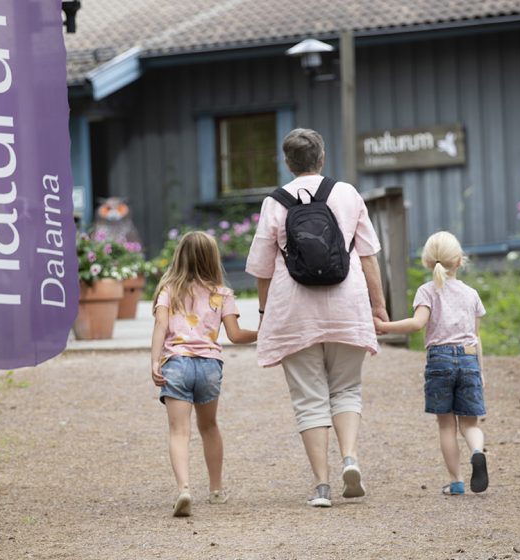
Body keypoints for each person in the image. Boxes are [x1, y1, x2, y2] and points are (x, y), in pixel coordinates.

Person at [245, 128, 387, 508]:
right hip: (347, 303)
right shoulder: (347, 194)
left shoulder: (274, 203)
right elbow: (369, 255)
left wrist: (263, 315)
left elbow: (261, 269)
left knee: (309, 398)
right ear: (322, 159)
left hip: (294, 310)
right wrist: (378, 306)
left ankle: (322, 486)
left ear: (287, 163)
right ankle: (350, 458)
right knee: (347, 389)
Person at [151, 231, 257, 517]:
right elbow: (234, 335)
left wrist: (154, 361)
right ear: (213, 258)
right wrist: (264, 334)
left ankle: (184, 488)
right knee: (209, 427)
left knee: (178, 431)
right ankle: (216, 489)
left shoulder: (168, 291)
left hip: (177, 363)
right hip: (210, 365)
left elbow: (161, 326)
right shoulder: (222, 294)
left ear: (179, 257)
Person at [374, 231, 489, 495]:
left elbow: (416, 324)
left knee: (446, 425)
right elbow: (477, 336)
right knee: (470, 425)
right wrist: (481, 371)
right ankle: (477, 451)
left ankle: (457, 481)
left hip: (440, 360)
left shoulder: (427, 291)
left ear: (427, 262)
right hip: (469, 359)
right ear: (459, 261)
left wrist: (384, 326)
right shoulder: (471, 294)